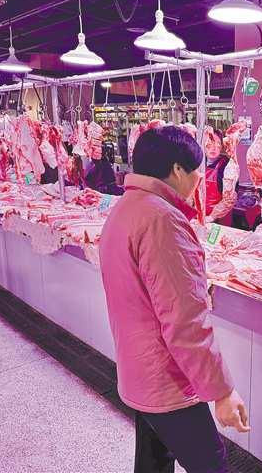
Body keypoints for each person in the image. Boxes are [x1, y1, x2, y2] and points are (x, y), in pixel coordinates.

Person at [99, 126, 249, 473]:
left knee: (154, 461)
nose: (199, 179)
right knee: (210, 463)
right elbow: (185, 323)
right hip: (166, 379)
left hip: (138, 369)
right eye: (197, 169)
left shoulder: (128, 207)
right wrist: (222, 392)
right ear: (178, 170)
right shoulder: (162, 219)